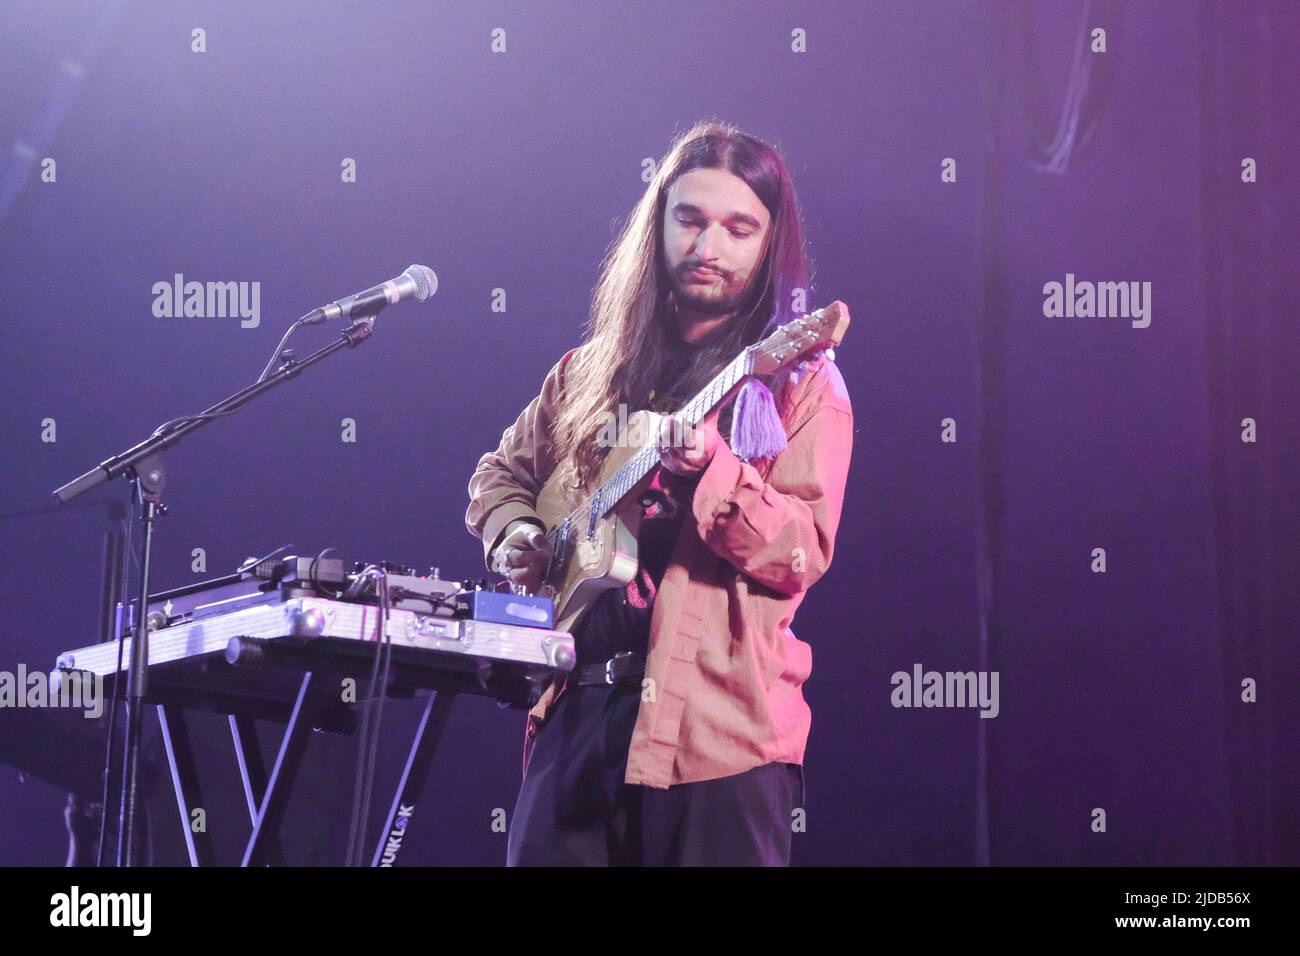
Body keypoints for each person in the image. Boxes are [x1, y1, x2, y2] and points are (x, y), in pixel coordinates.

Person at [465, 120, 853, 866]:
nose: (709, 247)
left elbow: (800, 552)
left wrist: (713, 468)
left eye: (739, 228)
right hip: (576, 714)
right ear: (658, 225)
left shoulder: (799, 383)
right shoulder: (589, 369)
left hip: (717, 744)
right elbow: (499, 475)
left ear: (770, 244)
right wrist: (515, 530)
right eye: (690, 219)